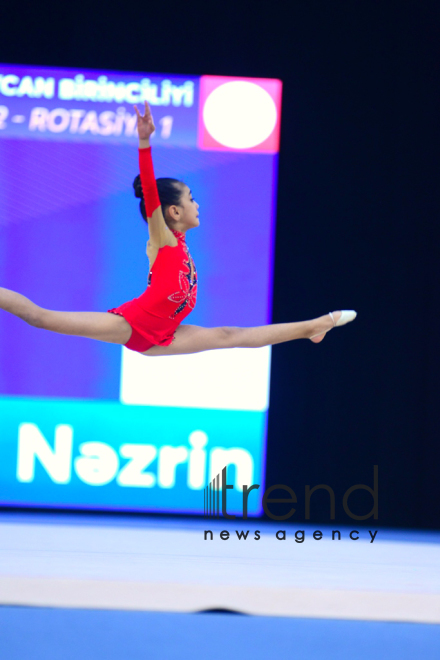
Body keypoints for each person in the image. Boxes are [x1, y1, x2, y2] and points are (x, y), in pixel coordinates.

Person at [0, 101, 356, 356]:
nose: (197, 204)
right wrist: (144, 141)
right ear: (173, 210)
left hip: (165, 336)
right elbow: (152, 195)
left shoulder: (181, 242)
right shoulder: (163, 239)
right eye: (191, 198)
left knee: (231, 335)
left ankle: (313, 326)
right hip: (132, 326)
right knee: (39, 317)